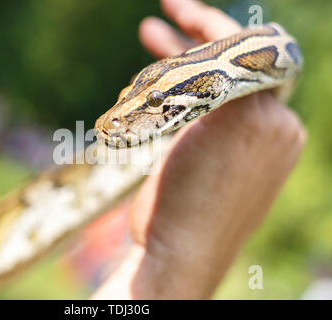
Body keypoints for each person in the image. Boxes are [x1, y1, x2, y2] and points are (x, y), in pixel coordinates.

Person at [93, 0, 306, 299]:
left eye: (154, 102)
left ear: (213, 83)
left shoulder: (226, 75)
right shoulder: (230, 73)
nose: (112, 121)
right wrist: (168, 261)